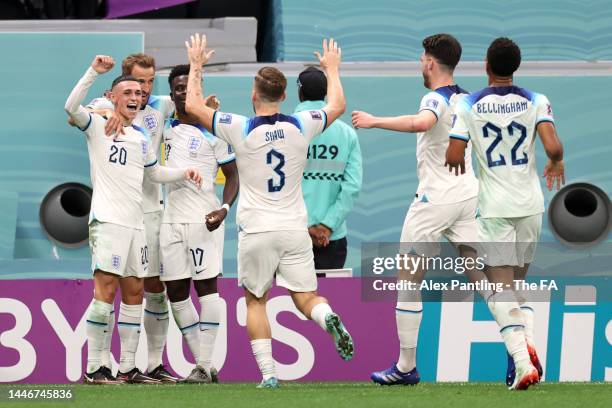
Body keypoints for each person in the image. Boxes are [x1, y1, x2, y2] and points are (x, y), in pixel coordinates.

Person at [184, 34, 354, 388]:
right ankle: (328, 317)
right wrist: (333, 70)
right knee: (305, 297)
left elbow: (194, 107)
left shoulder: (239, 126)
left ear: (253, 94)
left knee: (256, 300)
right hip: (294, 229)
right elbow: (337, 105)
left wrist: (197, 65)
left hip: (258, 229)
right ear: (284, 96)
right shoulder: (301, 125)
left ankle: (270, 375)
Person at [352, 34, 485, 386]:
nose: (419, 63)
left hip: (434, 201)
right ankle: (521, 351)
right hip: (468, 198)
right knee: (482, 278)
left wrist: (373, 120)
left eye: (421, 58)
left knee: (408, 280)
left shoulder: (435, 98)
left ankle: (406, 367)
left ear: (430, 62)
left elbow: (422, 122)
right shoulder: (468, 99)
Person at [65, 55, 202, 384]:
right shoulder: (98, 124)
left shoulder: (141, 136)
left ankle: (127, 367)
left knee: (134, 292)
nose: (135, 97)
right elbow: (71, 108)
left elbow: (154, 172)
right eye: (127, 93)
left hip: (137, 224)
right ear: (113, 97)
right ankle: (95, 367)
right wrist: (92, 72)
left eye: (139, 94)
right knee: (106, 289)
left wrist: (185, 172)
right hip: (108, 221)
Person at [445, 37, 565, 390]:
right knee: (516, 287)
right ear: (516, 66)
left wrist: (456, 158)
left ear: (486, 65)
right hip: (530, 206)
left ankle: (522, 362)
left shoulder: (468, 104)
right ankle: (525, 347)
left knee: (500, 289)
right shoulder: (536, 100)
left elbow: (454, 155)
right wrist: (556, 160)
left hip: (496, 208)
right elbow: (553, 146)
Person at [84, 53, 177, 382]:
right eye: (140, 82)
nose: (146, 90)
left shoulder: (157, 110)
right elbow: (89, 109)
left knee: (146, 287)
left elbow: (184, 100)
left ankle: (143, 365)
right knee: (108, 288)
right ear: (123, 84)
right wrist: (106, 111)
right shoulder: (106, 105)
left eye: (151, 82)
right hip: (113, 214)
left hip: (147, 212)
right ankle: (96, 364)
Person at [160, 64, 239, 383]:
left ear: (198, 93)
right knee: (176, 292)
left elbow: (234, 175)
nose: (183, 93)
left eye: (189, 88)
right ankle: (203, 363)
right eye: (178, 88)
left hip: (203, 220)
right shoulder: (162, 127)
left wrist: (223, 208)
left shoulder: (215, 130)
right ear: (171, 93)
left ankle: (204, 365)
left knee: (206, 287)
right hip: (170, 220)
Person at [295, 67, 362, 272]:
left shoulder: (286, 128)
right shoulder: (347, 134)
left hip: (292, 233)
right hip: (331, 237)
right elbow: (352, 187)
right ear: (326, 92)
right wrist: (327, 225)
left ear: (300, 92)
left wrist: (305, 227)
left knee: (289, 299)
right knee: (329, 301)